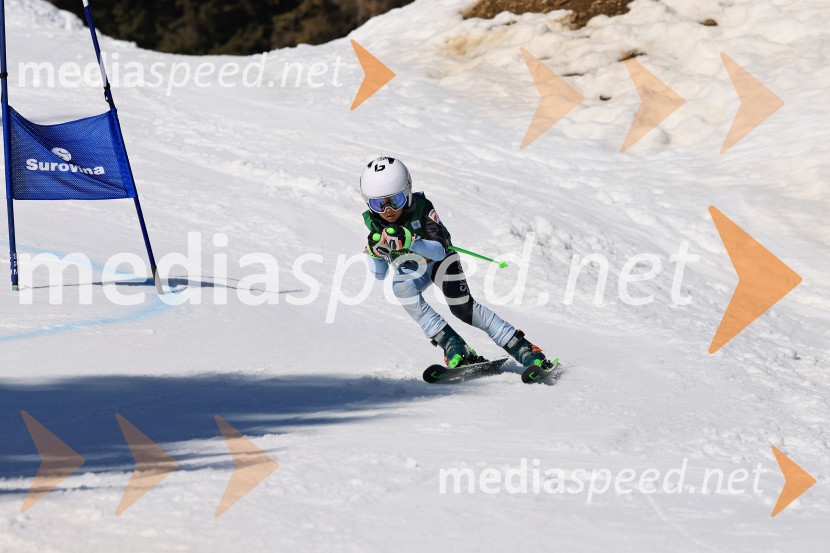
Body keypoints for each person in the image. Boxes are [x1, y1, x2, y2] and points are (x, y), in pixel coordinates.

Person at [360, 156, 554, 372]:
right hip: (414, 267)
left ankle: (524, 348)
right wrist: (375, 252)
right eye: (378, 204)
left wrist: (411, 241)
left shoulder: (422, 207)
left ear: (407, 191)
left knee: (462, 308)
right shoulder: (375, 223)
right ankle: (453, 345)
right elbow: (379, 274)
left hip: (441, 260)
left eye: (394, 201)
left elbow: (439, 249)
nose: (387, 211)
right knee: (401, 287)